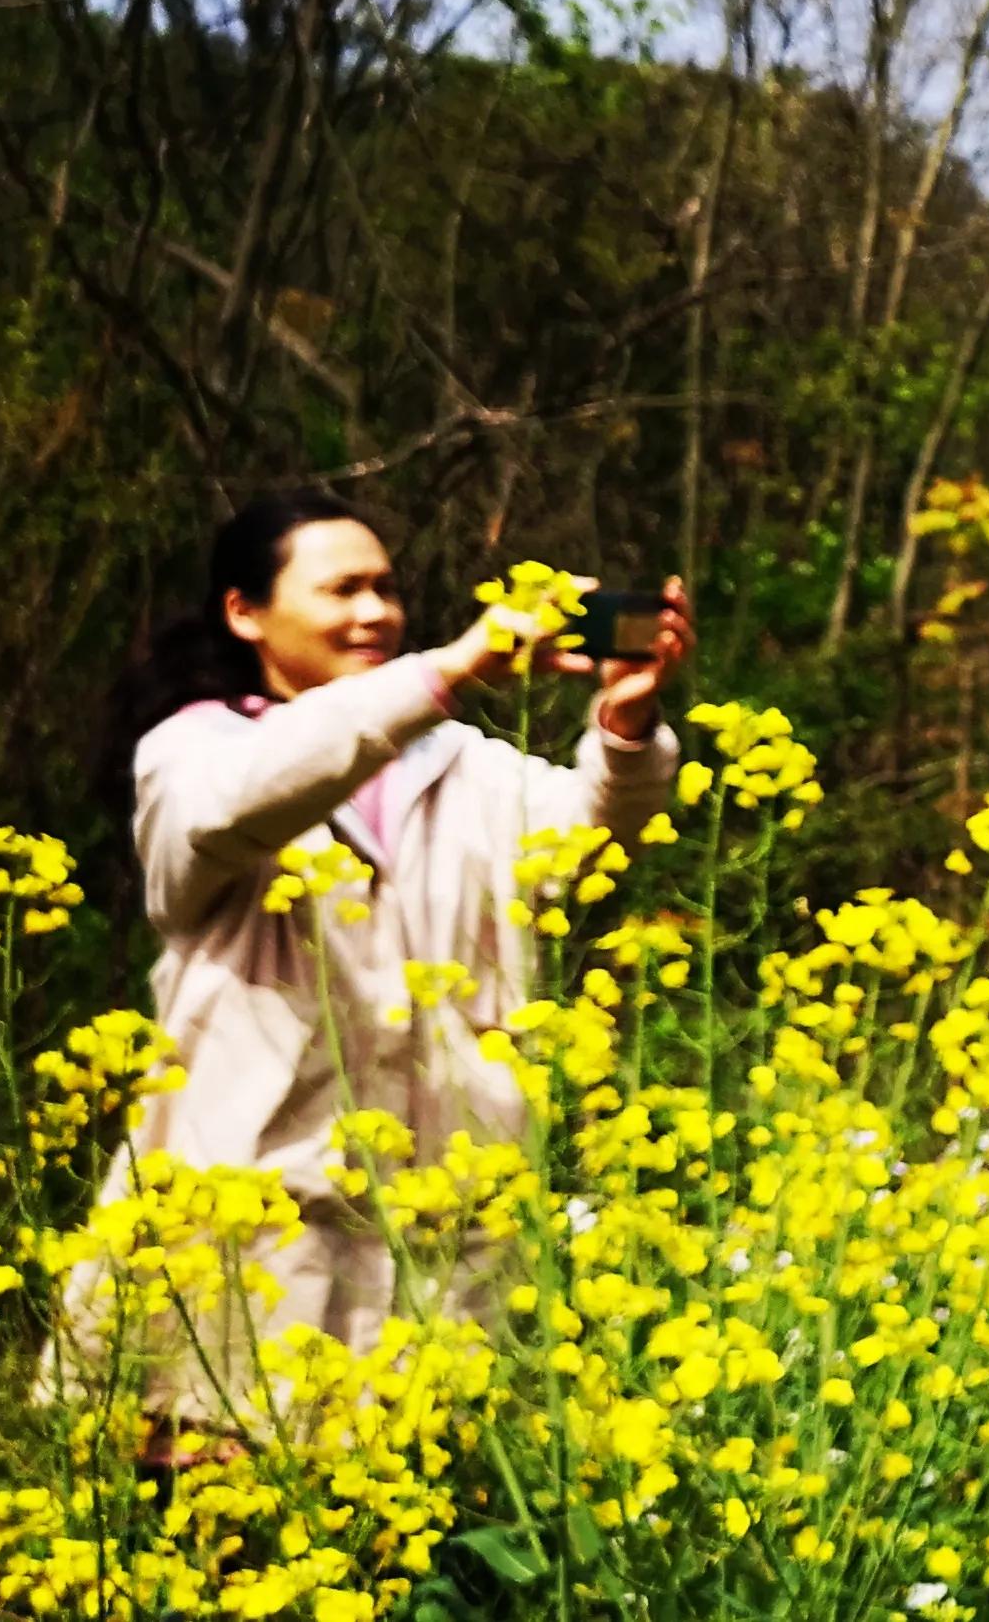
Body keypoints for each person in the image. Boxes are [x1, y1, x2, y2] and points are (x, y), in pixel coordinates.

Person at [74, 492, 691, 1448]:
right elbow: (248, 799)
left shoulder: (463, 764)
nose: (375, 613)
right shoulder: (194, 750)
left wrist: (625, 728)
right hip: (248, 1217)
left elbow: (588, 843)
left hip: (440, 1225)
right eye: (343, 590)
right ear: (245, 612)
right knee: (222, 1499)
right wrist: (444, 671)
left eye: (388, 590)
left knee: (419, 1510)